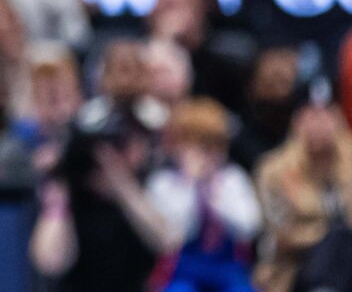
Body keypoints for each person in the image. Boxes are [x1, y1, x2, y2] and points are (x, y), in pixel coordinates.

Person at [30, 113, 173, 292]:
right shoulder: (68, 195)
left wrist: (122, 185)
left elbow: (168, 242)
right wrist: (60, 191)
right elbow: (51, 263)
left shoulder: (145, 187)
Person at [145, 97, 261, 292]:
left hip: (228, 269)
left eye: (213, 145)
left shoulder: (232, 178)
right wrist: (189, 183)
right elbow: (174, 237)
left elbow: (248, 227)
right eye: (196, 145)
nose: (206, 154)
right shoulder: (164, 182)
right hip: (182, 271)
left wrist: (215, 194)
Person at [254, 84, 352, 292]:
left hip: (347, 257)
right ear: (297, 121)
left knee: (343, 242)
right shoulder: (274, 170)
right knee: (336, 240)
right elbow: (281, 234)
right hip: (295, 265)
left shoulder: (349, 162)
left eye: (326, 114)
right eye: (311, 115)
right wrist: (326, 233)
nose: (319, 123)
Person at [0, 46, 82, 182]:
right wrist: (32, 168)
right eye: (44, 80)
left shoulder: (90, 142)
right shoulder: (9, 149)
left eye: (65, 92)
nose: (54, 87)